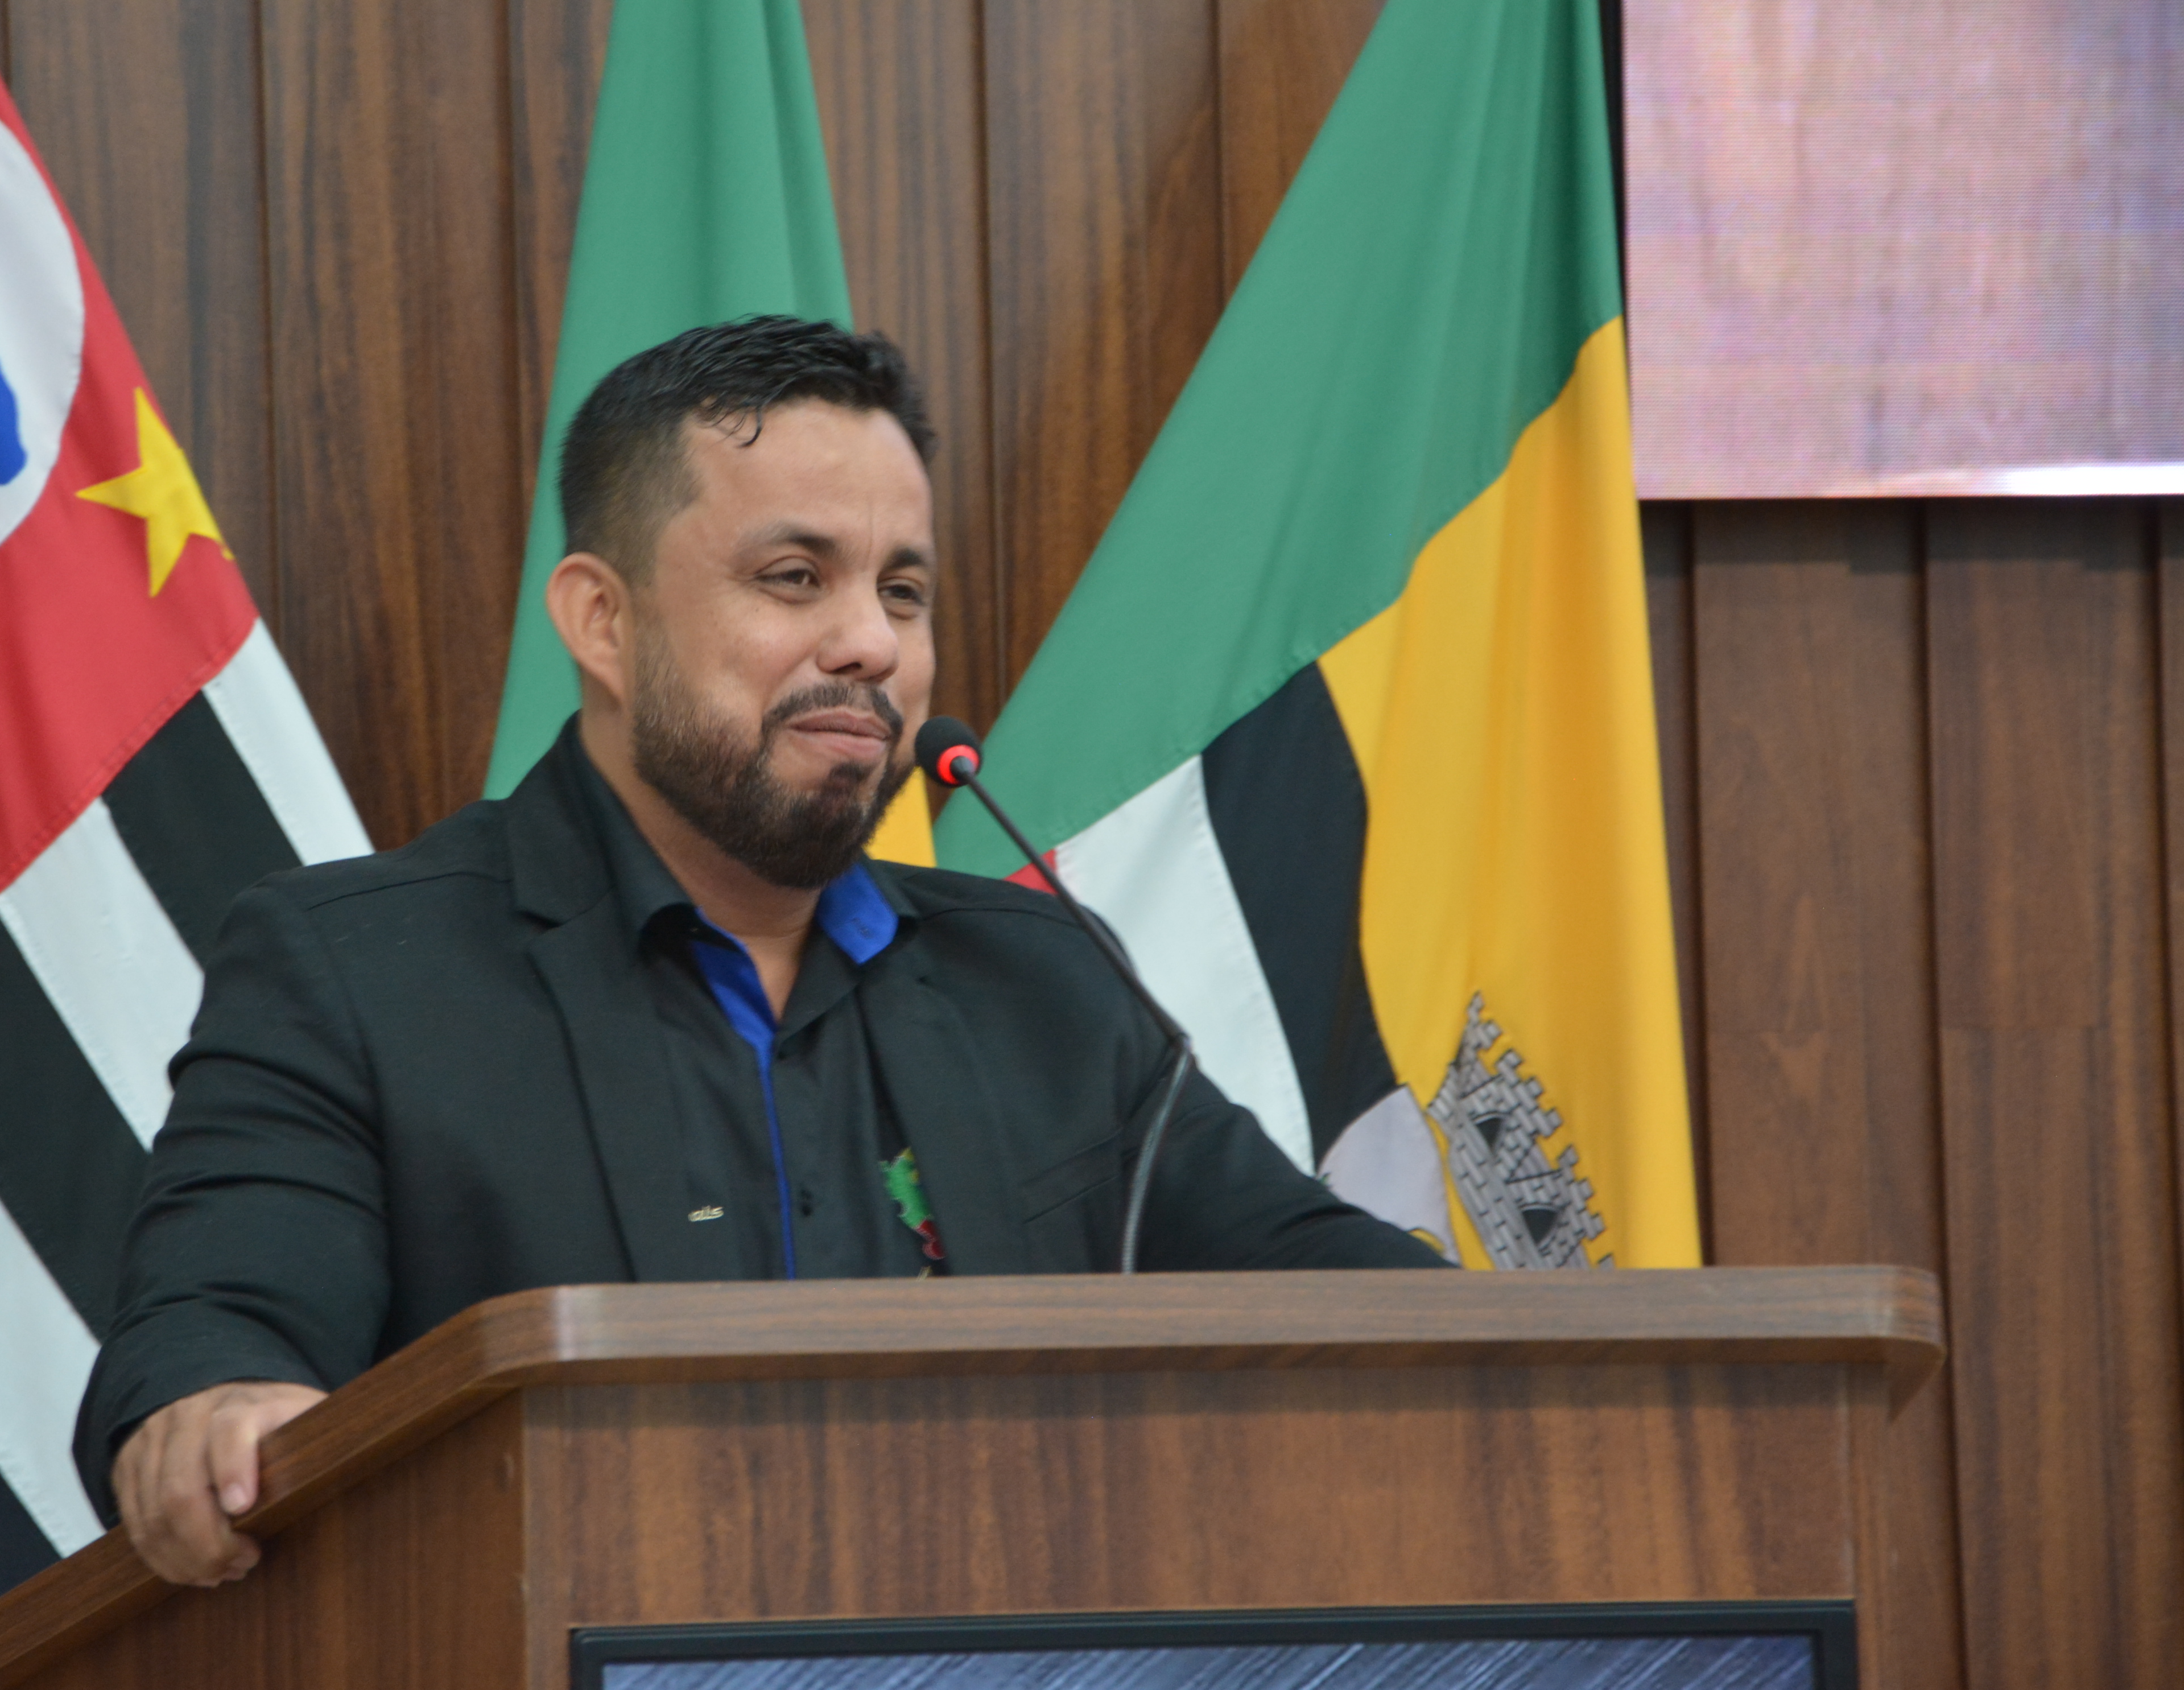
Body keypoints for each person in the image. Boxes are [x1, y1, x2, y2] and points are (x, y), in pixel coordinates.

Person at [76, 316, 1447, 1587]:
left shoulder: (1044, 981)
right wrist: (216, 1409)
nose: (870, 646)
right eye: (795, 579)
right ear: (603, 621)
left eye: (902, 592)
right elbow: (214, 1329)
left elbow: (1355, 1303)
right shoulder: (357, 971)